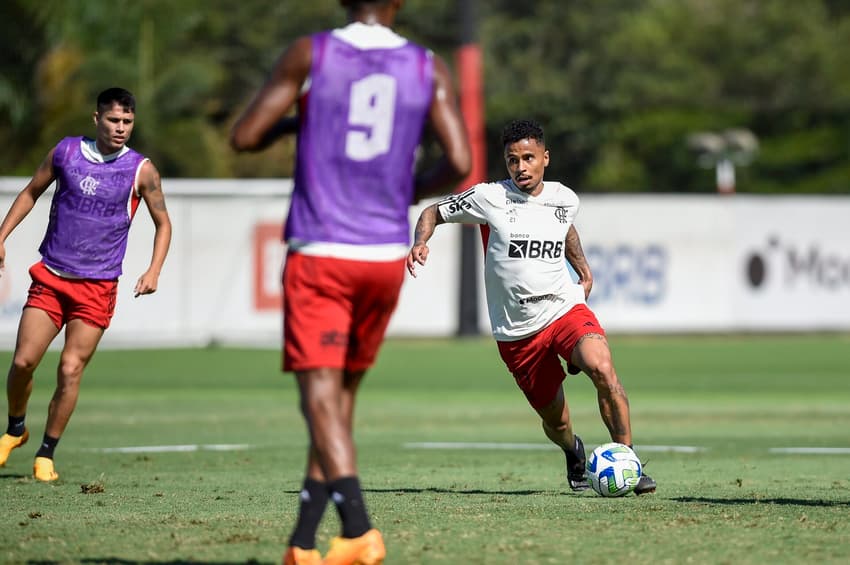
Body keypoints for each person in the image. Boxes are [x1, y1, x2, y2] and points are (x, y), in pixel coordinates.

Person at [229, 1, 471, 563]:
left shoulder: (310, 54)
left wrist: (295, 121)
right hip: (385, 256)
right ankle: (303, 540)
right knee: (338, 402)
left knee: (318, 398)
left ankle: (359, 527)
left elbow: (244, 136)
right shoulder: (428, 66)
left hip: (322, 250)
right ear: (399, 4)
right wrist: (404, 192)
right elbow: (459, 161)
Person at [407, 119, 656, 496]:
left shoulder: (564, 198)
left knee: (603, 369)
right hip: (518, 332)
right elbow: (432, 213)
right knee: (557, 422)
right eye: (512, 160)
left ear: (545, 158)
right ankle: (573, 451)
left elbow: (565, 228)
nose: (520, 167)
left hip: (563, 309)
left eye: (528, 158)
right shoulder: (488, 198)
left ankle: (630, 464)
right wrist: (420, 242)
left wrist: (583, 270)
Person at [0, 87, 172, 483]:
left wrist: (153, 270)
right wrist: (3, 236)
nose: (121, 128)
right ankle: (15, 428)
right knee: (24, 361)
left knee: (70, 369)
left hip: (97, 287)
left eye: (128, 122)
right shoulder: (66, 153)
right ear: (97, 119)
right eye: (114, 120)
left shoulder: (141, 170)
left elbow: (164, 224)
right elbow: (30, 193)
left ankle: (46, 453)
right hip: (53, 276)